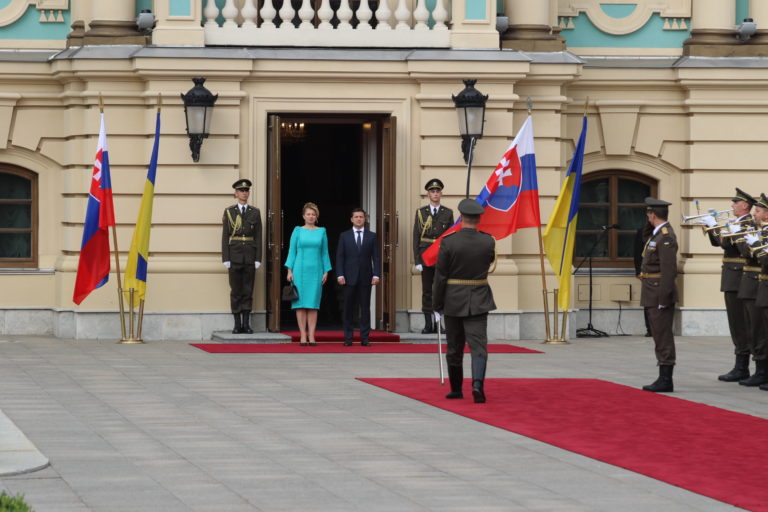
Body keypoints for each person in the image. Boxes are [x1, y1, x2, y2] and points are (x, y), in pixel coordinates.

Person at [433, 198, 496, 403]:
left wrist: (436, 304)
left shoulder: (449, 242)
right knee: (479, 346)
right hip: (478, 297)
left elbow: (440, 276)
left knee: (454, 346)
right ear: (478, 219)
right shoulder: (488, 241)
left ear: (461, 218)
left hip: (453, 299)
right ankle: (477, 384)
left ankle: (456, 389)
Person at [701, 188, 755, 382]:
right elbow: (719, 243)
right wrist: (711, 227)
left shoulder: (748, 223)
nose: (732, 205)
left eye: (735, 202)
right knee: (736, 323)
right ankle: (741, 365)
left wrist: (720, 227)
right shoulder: (736, 222)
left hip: (739, 277)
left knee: (742, 323)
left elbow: (732, 246)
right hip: (732, 277)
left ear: (745, 206)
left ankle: (744, 366)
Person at [639, 197, 678, 393]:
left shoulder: (666, 237)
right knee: (658, 334)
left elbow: (669, 271)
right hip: (652, 290)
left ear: (652, 214)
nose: (647, 217)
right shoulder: (657, 235)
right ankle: (663, 376)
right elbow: (644, 237)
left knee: (662, 335)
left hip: (658, 293)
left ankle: (666, 379)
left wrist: (664, 298)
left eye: (648, 214)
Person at [284, 202, 332, 346]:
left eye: (313, 214)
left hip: (316, 271)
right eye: (308, 214)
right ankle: (302, 335)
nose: (311, 216)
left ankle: (312, 335)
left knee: (313, 304)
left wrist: (326, 271)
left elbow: (325, 252)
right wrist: (289, 270)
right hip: (299, 271)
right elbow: (292, 251)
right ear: (303, 216)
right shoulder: (297, 230)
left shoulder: (322, 231)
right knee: (300, 304)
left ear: (316, 216)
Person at [413, 178, 454, 334]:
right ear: (428, 194)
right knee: (427, 292)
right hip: (425, 257)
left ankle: (439, 324)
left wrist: (450, 258)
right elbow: (416, 237)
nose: (435, 194)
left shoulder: (448, 213)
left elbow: (450, 237)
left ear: (441, 194)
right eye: (432, 191)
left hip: (441, 256)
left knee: (440, 290)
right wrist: (417, 259)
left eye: (437, 191)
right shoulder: (420, 213)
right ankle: (428, 324)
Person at [336, 208, 382, 346]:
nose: (358, 219)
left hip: (366, 277)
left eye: (361, 217)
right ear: (351, 219)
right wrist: (340, 274)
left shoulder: (372, 236)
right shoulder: (344, 236)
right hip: (348, 277)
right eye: (356, 217)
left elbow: (376, 257)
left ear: (365, 219)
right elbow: (340, 257)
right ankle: (348, 337)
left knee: (365, 308)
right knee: (348, 308)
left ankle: (364, 337)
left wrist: (376, 274)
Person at [222, 179, 262, 334]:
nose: (244, 193)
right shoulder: (229, 212)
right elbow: (225, 236)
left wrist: (258, 258)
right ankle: (237, 324)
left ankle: (246, 324)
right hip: (235, 256)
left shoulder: (255, 212)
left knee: (248, 290)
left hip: (250, 256)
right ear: (236, 193)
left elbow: (258, 236)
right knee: (236, 290)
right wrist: (226, 257)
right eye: (241, 191)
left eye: (246, 191)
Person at [738, 193, 768, 386]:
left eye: (757, 211)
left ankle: (763, 371)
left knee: (763, 332)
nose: (754, 214)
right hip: (760, 285)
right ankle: (761, 371)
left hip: (762, 283)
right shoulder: (761, 232)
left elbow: (765, 260)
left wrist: (756, 245)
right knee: (757, 330)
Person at [633, 221, 654, 337]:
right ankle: (649, 329)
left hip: (659, 273)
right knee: (648, 302)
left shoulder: (664, 232)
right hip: (646, 272)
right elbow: (637, 252)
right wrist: (638, 270)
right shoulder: (642, 231)